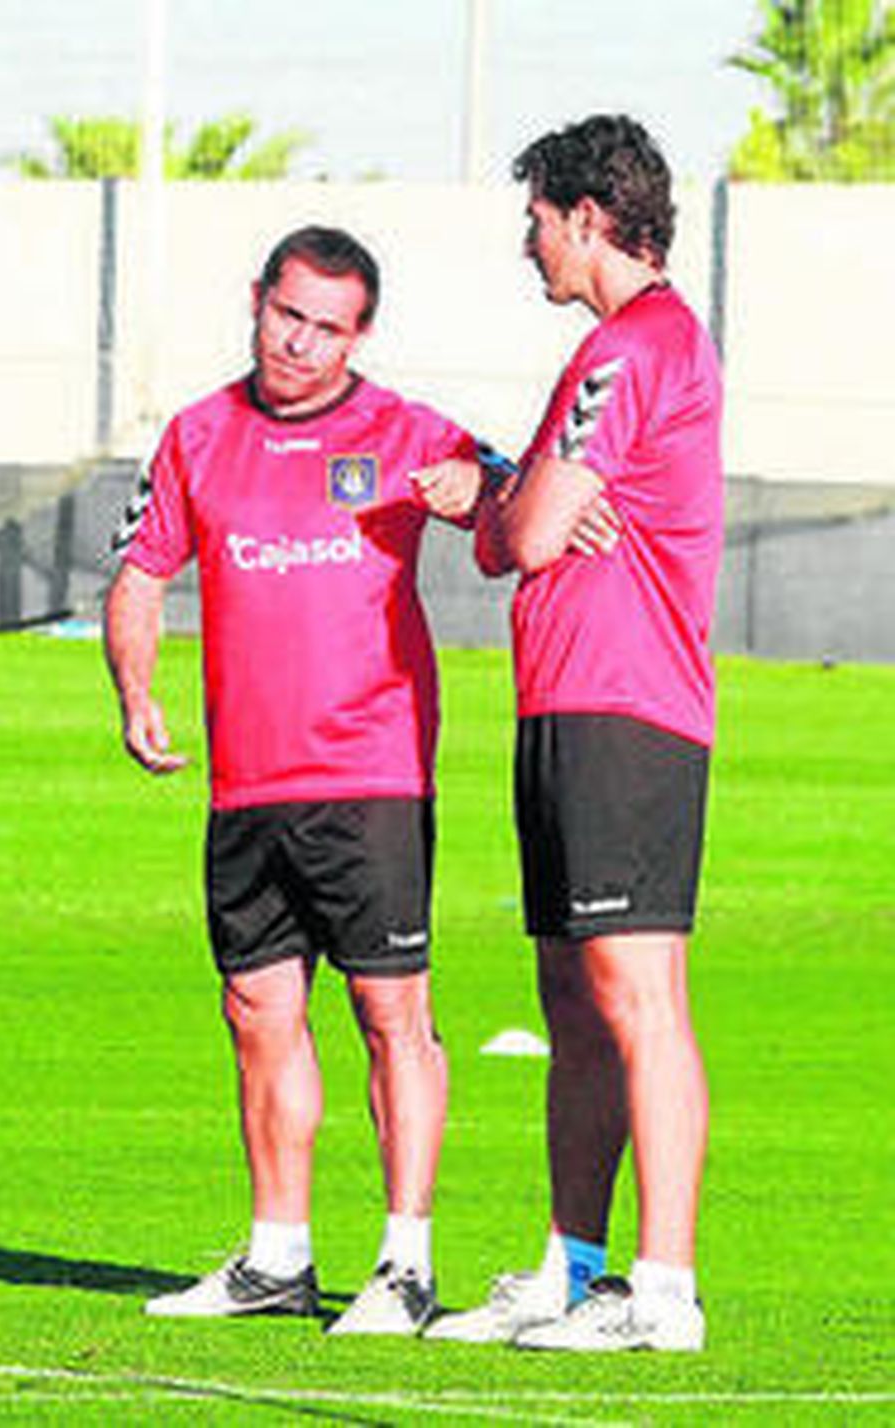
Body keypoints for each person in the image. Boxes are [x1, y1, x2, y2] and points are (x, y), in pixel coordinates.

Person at [104, 224, 498, 1335]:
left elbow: (515, 500)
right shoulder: (196, 435)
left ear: (358, 334)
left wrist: (479, 487)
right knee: (256, 1010)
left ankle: (405, 1266)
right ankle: (276, 1255)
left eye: (327, 329)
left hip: (369, 776)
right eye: (288, 316)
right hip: (244, 786)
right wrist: (135, 694)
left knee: (389, 1012)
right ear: (256, 301)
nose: (301, 344)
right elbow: (138, 574)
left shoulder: (405, 428)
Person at [424, 115, 723, 1353]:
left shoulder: (630, 346)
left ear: (589, 217)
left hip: (627, 706)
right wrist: (523, 494)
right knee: (571, 991)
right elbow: (543, 510)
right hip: (565, 703)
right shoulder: (615, 357)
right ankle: (577, 1263)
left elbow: (531, 532)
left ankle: (661, 1292)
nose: (527, 244)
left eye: (537, 218)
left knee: (635, 992)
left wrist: (498, 504)